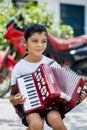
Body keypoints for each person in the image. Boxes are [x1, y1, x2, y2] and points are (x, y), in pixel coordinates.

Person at [9, 23, 87, 130]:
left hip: (52, 104)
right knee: (36, 124)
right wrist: (16, 100)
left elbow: (65, 92)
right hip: (29, 104)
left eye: (43, 41)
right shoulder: (19, 68)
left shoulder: (53, 65)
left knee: (55, 118)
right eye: (35, 41)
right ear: (25, 42)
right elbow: (12, 96)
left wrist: (77, 97)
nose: (40, 45)